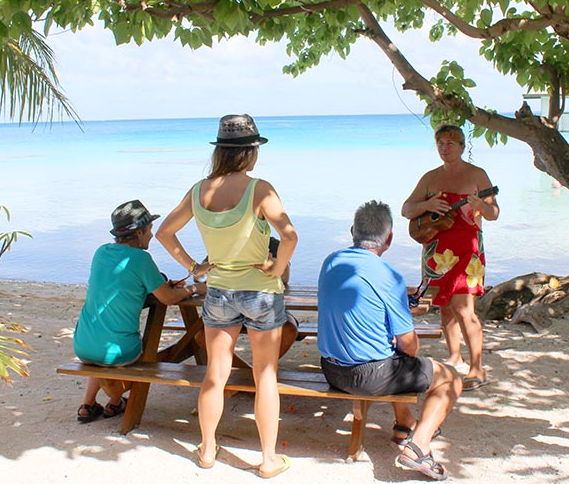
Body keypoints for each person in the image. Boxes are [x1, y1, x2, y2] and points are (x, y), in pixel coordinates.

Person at [157, 114, 297, 478]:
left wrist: (194, 267)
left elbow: (164, 233)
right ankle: (267, 460)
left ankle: (206, 450)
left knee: (214, 376)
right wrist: (278, 269)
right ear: (251, 151)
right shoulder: (260, 189)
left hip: (219, 290)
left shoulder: (198, 191)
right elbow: (291, 236)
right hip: (261, 292)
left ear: (220, 150)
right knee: (265, 377)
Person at [317, 200, 461, 481]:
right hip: (368, 377)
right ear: (389, 239)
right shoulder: (389, 276)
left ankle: (404, 424)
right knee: (449, 377)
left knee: (395, 358)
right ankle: (417, 448)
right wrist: (395, 297)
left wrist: (391, 297)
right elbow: (409, 344)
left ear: (352, 232)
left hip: (331, 369)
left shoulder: (331, 262)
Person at [72, 199, 207, 423]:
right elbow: (169, 298)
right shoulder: (141, 259)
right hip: (119, 352)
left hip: (83, 344)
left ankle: (87, 405)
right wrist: (195, 288)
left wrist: (160, 285)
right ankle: (116, 402)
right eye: (150, 230)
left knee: (102, 341)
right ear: (139, 232)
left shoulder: (101, 252)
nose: (152, 236)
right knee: (139, 350)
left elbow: (121, 285)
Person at [401, 124, 498, 390]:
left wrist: (481, 207)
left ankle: (477, 367)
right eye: (441, 143)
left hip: (467, 249)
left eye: (451, 144)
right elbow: (406, 209)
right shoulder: (430, 178)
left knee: (464, 308)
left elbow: (494, 213)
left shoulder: (477, 175)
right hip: (437, 249)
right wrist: (427, 205)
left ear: (462, 147)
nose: (445, 148)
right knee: (445, 305)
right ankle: (454, 356)